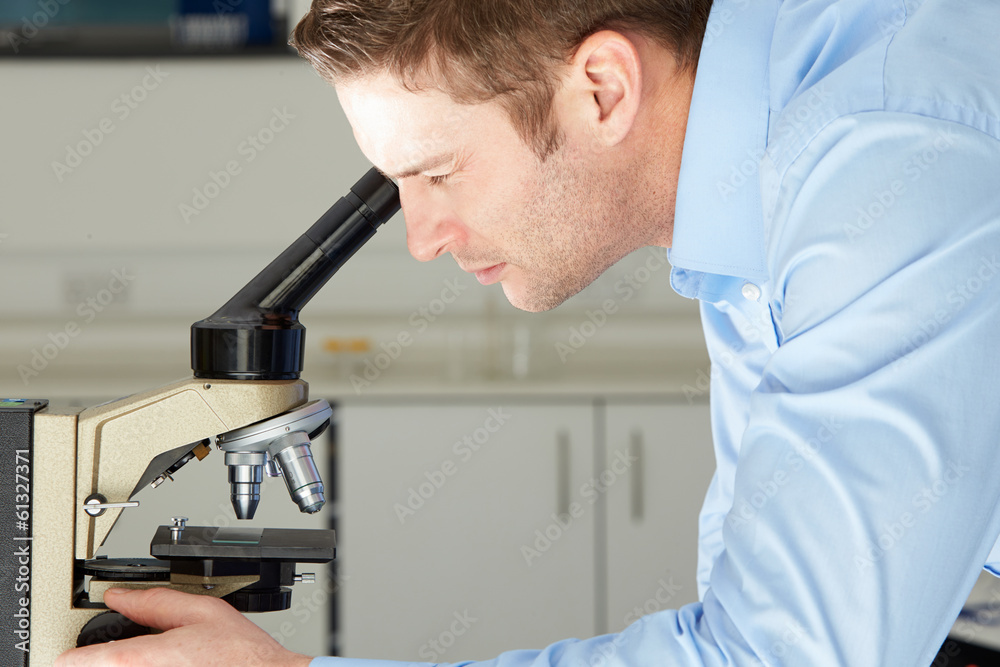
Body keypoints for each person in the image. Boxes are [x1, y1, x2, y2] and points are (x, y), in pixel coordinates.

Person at [57, 0, 1000, 665]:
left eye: (437, 172)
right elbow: (760, 605)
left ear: (601, 88)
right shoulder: (757, 153)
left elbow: (781, 655)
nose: (423, 239)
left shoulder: (882, 161)